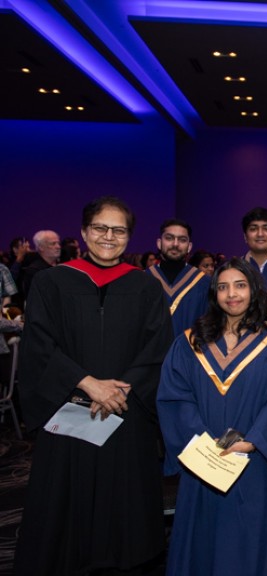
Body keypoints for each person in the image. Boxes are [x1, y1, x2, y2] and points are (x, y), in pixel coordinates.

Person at [14, 196, 174, 575]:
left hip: (126, 408)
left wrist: (121, 389)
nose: (109, 236)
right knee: (66, 502)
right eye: (100, 228)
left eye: (119, 230)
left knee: (125, 505)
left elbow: (158, 347)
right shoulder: (51, 282)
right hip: (70, 406)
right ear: (84, 232)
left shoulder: (145, 287)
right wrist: (88, 383)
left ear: (129, 237)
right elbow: (39, 343)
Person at [157, 257, 267, 575]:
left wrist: (253, 442)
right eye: (222, 287)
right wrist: (203, 442)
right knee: (199, 538)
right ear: (214, 294)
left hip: (252, 461)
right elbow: (175, 397)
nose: (231, 294)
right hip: (203, 458)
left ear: (255, 291)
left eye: (240, 285)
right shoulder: (190, 342)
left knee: (245, 542)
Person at [147, 218, 210, 336]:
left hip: (190, 353)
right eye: (169, 238)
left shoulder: (204, 283)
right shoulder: (143, 280)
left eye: (182, 240)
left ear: (189, 246)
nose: (175, 244)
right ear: (159, 243)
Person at [20, 229, 60, 297]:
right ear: (41, 247)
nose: (58, 247)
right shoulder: (34, 271)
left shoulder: (62, 267)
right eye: (53, 244)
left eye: (58, 243)